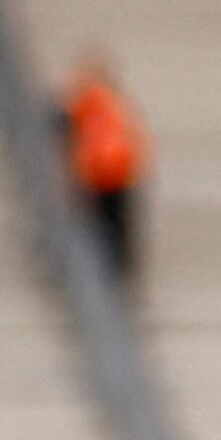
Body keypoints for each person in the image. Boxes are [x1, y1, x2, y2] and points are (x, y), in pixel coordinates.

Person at [60, 51, 150, 288]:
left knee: (107, 225)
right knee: (116, 226)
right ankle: (118, 268)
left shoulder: (89, 100)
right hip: (115, 171)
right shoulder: (114, 101)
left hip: (103, 172)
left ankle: (111, 269)